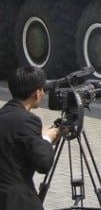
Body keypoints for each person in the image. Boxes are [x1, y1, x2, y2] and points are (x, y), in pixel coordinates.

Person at [0, 66, 59, 210]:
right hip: (16, 201)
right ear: (37, 93)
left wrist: (38, 136)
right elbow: (43, 164)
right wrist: (47, 139)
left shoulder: (4, 114)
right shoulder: (28, 121)